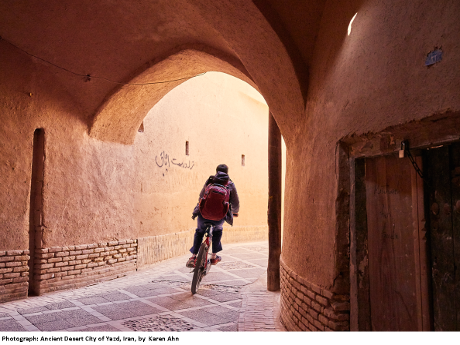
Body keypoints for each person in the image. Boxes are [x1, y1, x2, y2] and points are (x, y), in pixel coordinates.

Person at [186, 164, 239, 268]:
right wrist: (234, 212)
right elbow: (235, 201)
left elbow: (201, 196)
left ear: (216, 171)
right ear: (227, 173)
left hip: (203, 214)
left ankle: (193, 257)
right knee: (217, 231)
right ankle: (214, 257)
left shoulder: (210, 181)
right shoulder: (230, 184)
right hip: (219, 217)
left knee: (199, 232)